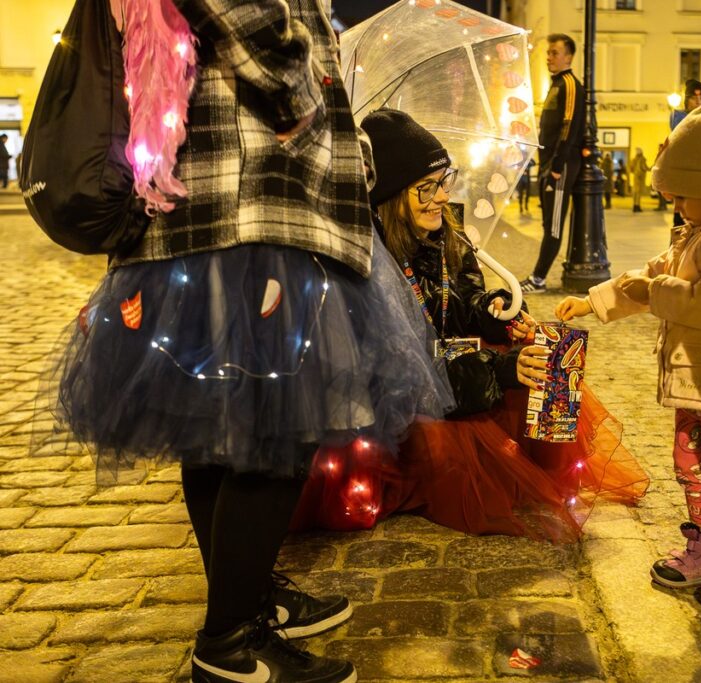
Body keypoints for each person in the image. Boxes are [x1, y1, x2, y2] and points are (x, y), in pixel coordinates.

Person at [49, 2, 455, 682]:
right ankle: (229, 643)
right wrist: (306, 103)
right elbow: (249, 18)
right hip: (248, 203)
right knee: (276, 421)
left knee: (219, 428)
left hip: (207, 208)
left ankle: (243, 599)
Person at [292, 109, 649, 542]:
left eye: (445, 180)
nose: (441, 196)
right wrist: (499, 369)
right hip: (391, 406)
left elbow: (457, 304)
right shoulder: (369, 259)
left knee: (541, 362)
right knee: (453, 444)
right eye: (426, 187)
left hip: (446, 369)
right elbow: (404, 373)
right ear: (389, 194)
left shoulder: (446, 232)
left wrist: (496, 314)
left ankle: (536, 465)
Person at [554, 87, 701, 615]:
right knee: (689, 464)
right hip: (694, 381)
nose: (675, 206)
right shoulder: (699, 230)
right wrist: (595, 300)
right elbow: (652, 273)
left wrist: (652, 293)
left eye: (683, 194)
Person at [519, 33, 586, 294]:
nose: (549, 57)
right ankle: (538, 277)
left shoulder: (570, 84)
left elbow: (568, 126)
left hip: (561, 166)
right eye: (548, 53)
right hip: (549, 165)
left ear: (568, 57)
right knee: (549, 224)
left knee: (554, 224)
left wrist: (557, 165)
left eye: (554, 53)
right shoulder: (556, 84)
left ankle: (538, 279)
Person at [629, 147, 650, 212]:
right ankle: (637, 206)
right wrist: (649, 169)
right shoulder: (642, 159)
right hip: (640, 177)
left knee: (635, 191)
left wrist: (635, 171)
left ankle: (634, 206)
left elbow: (631, 169)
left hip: (635, 177)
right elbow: (644, 167)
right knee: (639, 192)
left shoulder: (634, 159)